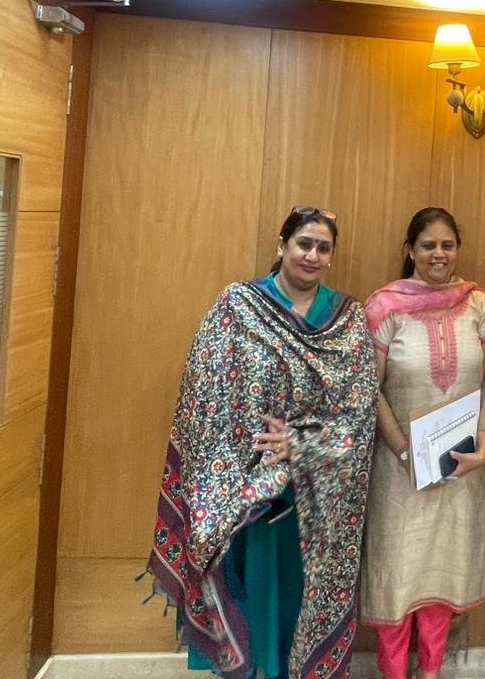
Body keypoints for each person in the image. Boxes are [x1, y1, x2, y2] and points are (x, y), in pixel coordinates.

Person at [146, 207, 378, 679]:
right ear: (282, 245)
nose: (312, 255)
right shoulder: (238, 306)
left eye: (323, 248)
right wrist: (247, 453)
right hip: (248, 486)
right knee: (257, 596)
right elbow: (205, 391)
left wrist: (300, 444)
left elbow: (359, 411)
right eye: (304, 244)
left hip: (316, 491)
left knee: (300, 597)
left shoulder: (348, 318)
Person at [361, 207, 485, 679]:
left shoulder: (476, 301)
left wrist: (484, 448)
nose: (438, 254)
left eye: (447, 245)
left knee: (443, 571)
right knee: (397, 575)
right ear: (410, 250)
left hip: (463, 467)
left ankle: (431, 672)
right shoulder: (384, 306)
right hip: (398, 471)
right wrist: (405, 452)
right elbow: (370, 389)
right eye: (428, 245)